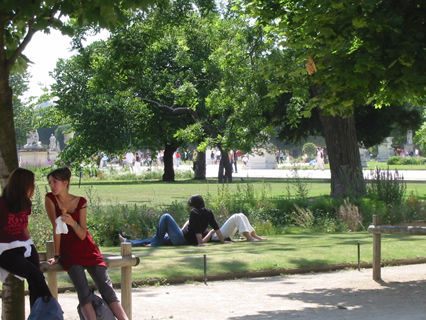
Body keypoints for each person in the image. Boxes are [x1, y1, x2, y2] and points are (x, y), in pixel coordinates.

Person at [45, 167, 128, 320]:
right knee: (83, 291)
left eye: (55, 182)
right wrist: (57, 255)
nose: (52, 185)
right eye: (50, 182)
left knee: (106, 288)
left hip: (87, 248)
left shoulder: (80, 201)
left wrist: (72, 223)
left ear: (65, 182)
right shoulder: (50, 199)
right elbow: (56, 228)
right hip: (69, 251)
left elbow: (83, 235)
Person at [0, 168, 53, 309]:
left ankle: (39, 313)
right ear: (22, 185)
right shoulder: (2, 204)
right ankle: (52, 307)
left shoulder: (25, 203)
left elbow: (24, 228)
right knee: (34, 274)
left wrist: (30, 243)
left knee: (37, 278)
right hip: (6, 250)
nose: (34, 187)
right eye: (32, 183)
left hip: (25, 245)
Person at [120, 194, 226, 247]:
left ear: (195, 205)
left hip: (182, 239)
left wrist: (200, 243)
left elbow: (198, 229)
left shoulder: (195, 212)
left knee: (166, 216)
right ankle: (128, 242)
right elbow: (216, 227)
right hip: (181, 236)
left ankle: (156, 243)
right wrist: (223, 241)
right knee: (155, 238)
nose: (190, 209)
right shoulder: (209, 212)